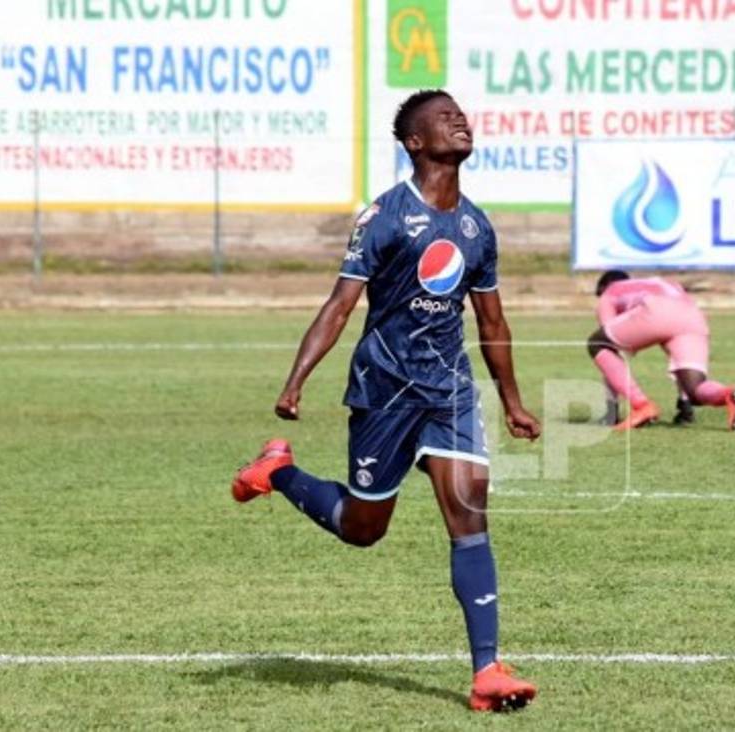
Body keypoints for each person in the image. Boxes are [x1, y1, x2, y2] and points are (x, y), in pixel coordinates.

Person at [231, 90, 541, 713]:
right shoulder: (384, 217)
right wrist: (296, 381)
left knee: (469, 513)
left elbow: (492, 321)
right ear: (415, 142)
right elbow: (340, 305)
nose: (460, 121)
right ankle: (279, 470)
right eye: (444, 117)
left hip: (448, 391)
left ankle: (487, 671)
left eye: (461, 114)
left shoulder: (478, 227)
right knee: (363, 528)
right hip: (385, 389)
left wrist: (512, 401)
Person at [587, 270, 735, 432]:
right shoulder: (659, 282)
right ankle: (727, 394)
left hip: (655, 311)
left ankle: (642, 406)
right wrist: (684, 404)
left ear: (602, 287)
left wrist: (611, 412)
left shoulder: (609, 292)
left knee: (598, 344)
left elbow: (611, 350)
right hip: (693, 317)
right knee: (695, 388)